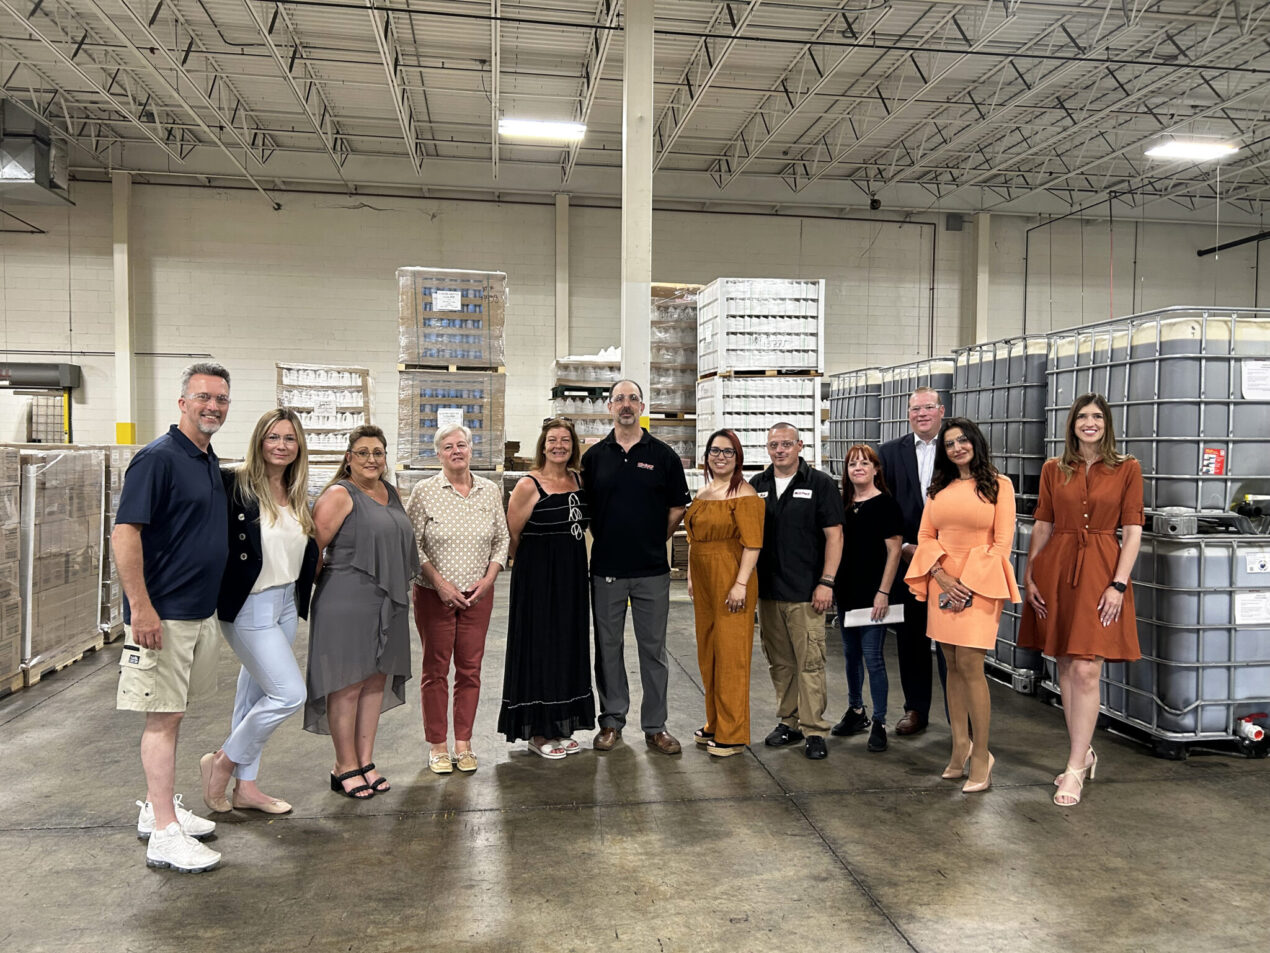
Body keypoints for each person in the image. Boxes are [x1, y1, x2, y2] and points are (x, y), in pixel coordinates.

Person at [114, 361, 231, 873]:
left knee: (174, 713)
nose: (213, 406)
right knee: (162, 719)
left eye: (221, 399)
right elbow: (125, 533)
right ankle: (164, 830)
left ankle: (156, 810)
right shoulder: (157, 460)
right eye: (204, 397)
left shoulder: (204, 458)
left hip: (196, 612)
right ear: (182, 402)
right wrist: (142, 608)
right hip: (163, 614)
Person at [1020, 394, 1144, 807]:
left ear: (1107, 424)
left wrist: (1119, 585)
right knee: (1068, 666)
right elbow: (1042, 523)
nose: (1089, 423)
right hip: (1057, 569)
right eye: (1082, 418)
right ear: (1071, 425)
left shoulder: (1127, 468)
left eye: (1097, 417)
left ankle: (1074, 766)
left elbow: (1132, 531)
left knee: (1088, 670)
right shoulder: (1054, 469)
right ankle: (1083, 752)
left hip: (1103, 571)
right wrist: (1030, 576)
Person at [201, 409, 319, 816]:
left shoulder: (296, 489)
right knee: (288, 693)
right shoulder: (232, 482)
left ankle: (246, 788)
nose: (281, 446)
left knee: (253, 697)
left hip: (286, 602)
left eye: (289, 438)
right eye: (273, 437)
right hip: (249, 604)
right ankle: (223, 762)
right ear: (259, 440)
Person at [904, 417, 1020, 793]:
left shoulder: (1000, 486)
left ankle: (982, 754)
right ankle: (960, 747)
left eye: (962, 440)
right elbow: (925, 535)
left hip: (979, 585)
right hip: (944, 584)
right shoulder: (939, 488)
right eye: (950, 443)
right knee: (950, 662)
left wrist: (965, 586)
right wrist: (940, 576)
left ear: (975, 442)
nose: (957, 448)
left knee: (970, 664)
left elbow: (1002, 544)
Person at [305, 425, 417, 799]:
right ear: (348, 458)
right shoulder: (339, 494)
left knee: (374, 681)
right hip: (346, 601)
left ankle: (365, 761)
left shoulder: (391, 492)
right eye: (364, 452)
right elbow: (312, 554)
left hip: (387, 601)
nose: (372, 459)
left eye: (378, 453)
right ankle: (344, 765)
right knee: (347, 684)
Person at [581, 379, 691, 755]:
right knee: (608, 647)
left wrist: (653, 538)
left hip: (652, 571)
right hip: (607, 569)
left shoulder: (663, 455)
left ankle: (655, 726)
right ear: (610, 407)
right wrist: (610, 536)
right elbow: (590, 511)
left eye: (632, 399)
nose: (626, 405)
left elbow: (678, 505)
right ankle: (611, 721)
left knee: (653, 650)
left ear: (642, 406)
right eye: (619, 399)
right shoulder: (595, 457)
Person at [407, 423, 509, 774]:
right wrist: (439, 583)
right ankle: (438, 745)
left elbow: (502, 539)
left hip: (478, 595)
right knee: (435, 670)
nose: (456, 451)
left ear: (470, 450)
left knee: (470, 669)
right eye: (448, 446)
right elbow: (413, 543)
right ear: (438, 454)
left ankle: (463, 742)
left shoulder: (489, 491)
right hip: (434, 595)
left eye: (461, 445)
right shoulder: (424, 491)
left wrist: (489, 578)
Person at [498, 418, 595, 759]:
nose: (559, 446)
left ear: (573, 445)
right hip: (537, 578)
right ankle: (537, 731)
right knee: (538, 648)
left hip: (571, 577)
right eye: (552, 440)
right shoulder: (528, 484)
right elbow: (511, 537)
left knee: (567, 646)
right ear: (543, 445)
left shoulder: (579, 480)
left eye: (565, 440)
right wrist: (531, 571)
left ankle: (560, 725)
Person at [750, 422, 844, 761]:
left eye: (786, 444)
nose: (780, 450)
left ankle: (814, 729)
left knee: (810, 663)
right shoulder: (757, 485)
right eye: (774, 444)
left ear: (800, 446)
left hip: (807, 592)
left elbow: (834, 535)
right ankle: (788, 722)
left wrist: (827, 581)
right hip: (769, 593)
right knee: (781, 663)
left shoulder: (819, 484)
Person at [685, 429, 763, 758]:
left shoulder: (744, 493)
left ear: (738, 457)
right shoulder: (704, 493)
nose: (720, 457)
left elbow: (753, 543)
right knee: (709, 654)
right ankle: (715, 722)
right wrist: (691, 576)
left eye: (728, 452)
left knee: (731, 656)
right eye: (715, 451)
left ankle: (733, 733)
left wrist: (741, 583)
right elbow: (693, 540)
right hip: (703, 579)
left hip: (732, 576)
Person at [878, 386, 949, 737]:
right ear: (908, 414)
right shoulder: (889, 453)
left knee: (953, 642)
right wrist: (903, 546)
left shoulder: (957, 448)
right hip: (908, 560)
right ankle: (915, 709)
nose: (922, 413)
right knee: (911, 638)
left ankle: (960, 715)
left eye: (928, 407)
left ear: (941, 410)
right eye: (915, 408)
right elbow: (883, 506)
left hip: (953, 564)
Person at [831, 444, 903, 753]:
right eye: (852, 464)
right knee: (850, 656)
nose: (858, 467)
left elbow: (895, 551)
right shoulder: (843, 505)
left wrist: (883, 592)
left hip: (875, 595)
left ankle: (880, 720)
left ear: (875, 469)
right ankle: (856, 710)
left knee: (873, 657)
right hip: (847, 592)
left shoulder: (886, 504)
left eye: (864, 463)